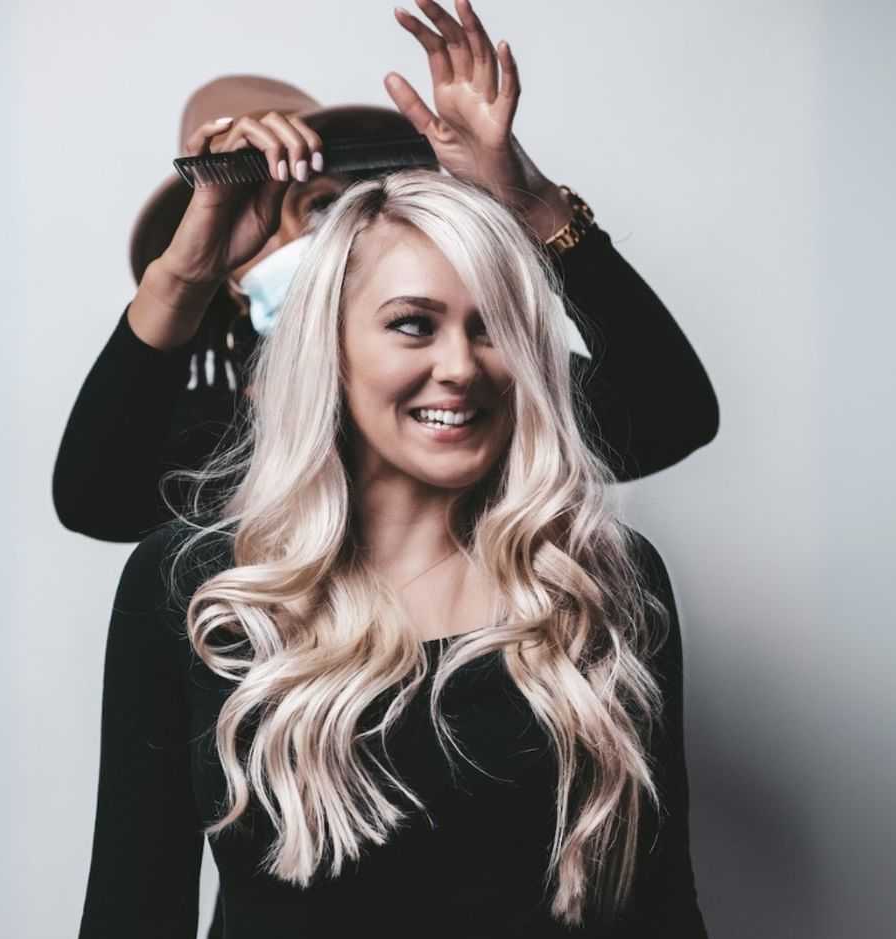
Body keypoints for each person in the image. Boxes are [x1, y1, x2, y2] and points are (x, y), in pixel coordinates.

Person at [66, 165, 725, 939]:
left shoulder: (604, 583)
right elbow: (132, 934)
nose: (461, 366)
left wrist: (544, 209)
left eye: (493, 330)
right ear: (330, 349)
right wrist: (186, 270)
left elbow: (659, 927)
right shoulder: (200, 590)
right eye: (413, 325)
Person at [52, 0, 718, 546]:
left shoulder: (466, 386)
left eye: (318, 206)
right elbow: (95, 501)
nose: (301, 241)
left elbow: (668, 414)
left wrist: (531, 201)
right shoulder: (216, 427)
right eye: (253, 224)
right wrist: (183, 275)